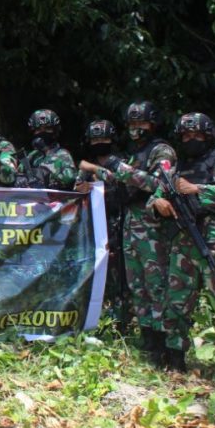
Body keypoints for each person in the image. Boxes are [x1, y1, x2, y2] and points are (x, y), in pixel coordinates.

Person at [149, 113, 215, 389]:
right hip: (182, 239)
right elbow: (156, 196)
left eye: (196, 135)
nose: (191, 140)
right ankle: (176, 360)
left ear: (207, 136)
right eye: (186, 136)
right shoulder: (175, 168)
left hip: (213, 238)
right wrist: (158, 204)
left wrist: (197, 189)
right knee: (177, 300)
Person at [78, 101, 176, 363]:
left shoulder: (161, 151)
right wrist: (95, 173)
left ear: (152, 124)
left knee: (156, 285)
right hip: (132, 226)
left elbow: (158, 182)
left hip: (153, 228)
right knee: (137, 286)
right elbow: (119, 179)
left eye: (140, 123)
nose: (136, 128)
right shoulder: (136, 153)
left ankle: (165, 343)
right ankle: (148, 340)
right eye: (132, 124)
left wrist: (116, 166)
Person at [75, 119, 130, 331]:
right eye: (95, 140)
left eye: (104, 139)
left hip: (119, 224)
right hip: (94, 228)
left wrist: (94, 170)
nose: (99, 143)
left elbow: (124, 180)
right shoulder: (85, 168)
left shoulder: (121, 162)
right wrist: (80, 188)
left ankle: (121, 323)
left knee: (119, 277)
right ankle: (96, 323)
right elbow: (75, 190)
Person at [23, 109, 76, 190]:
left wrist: (47, 174)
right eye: (38, 129)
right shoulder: (32, 156)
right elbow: (18, 173)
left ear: (55, 131)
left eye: (47, 128)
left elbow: (69, 178)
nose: (42, 132)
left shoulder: (63, 154)